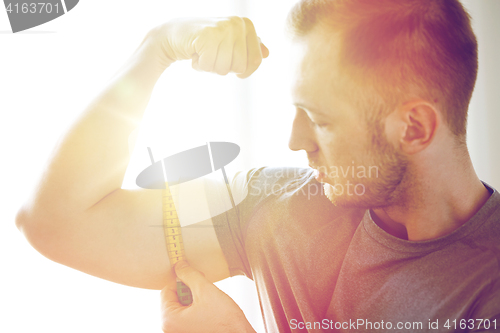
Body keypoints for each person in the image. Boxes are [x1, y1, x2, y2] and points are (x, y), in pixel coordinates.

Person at [16, 0, 500, 332]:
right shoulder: (282, 206)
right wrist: (159, 48)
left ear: (414, 128)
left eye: (320, 120)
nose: (294, 142)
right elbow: (56, 223)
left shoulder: (487, 290)